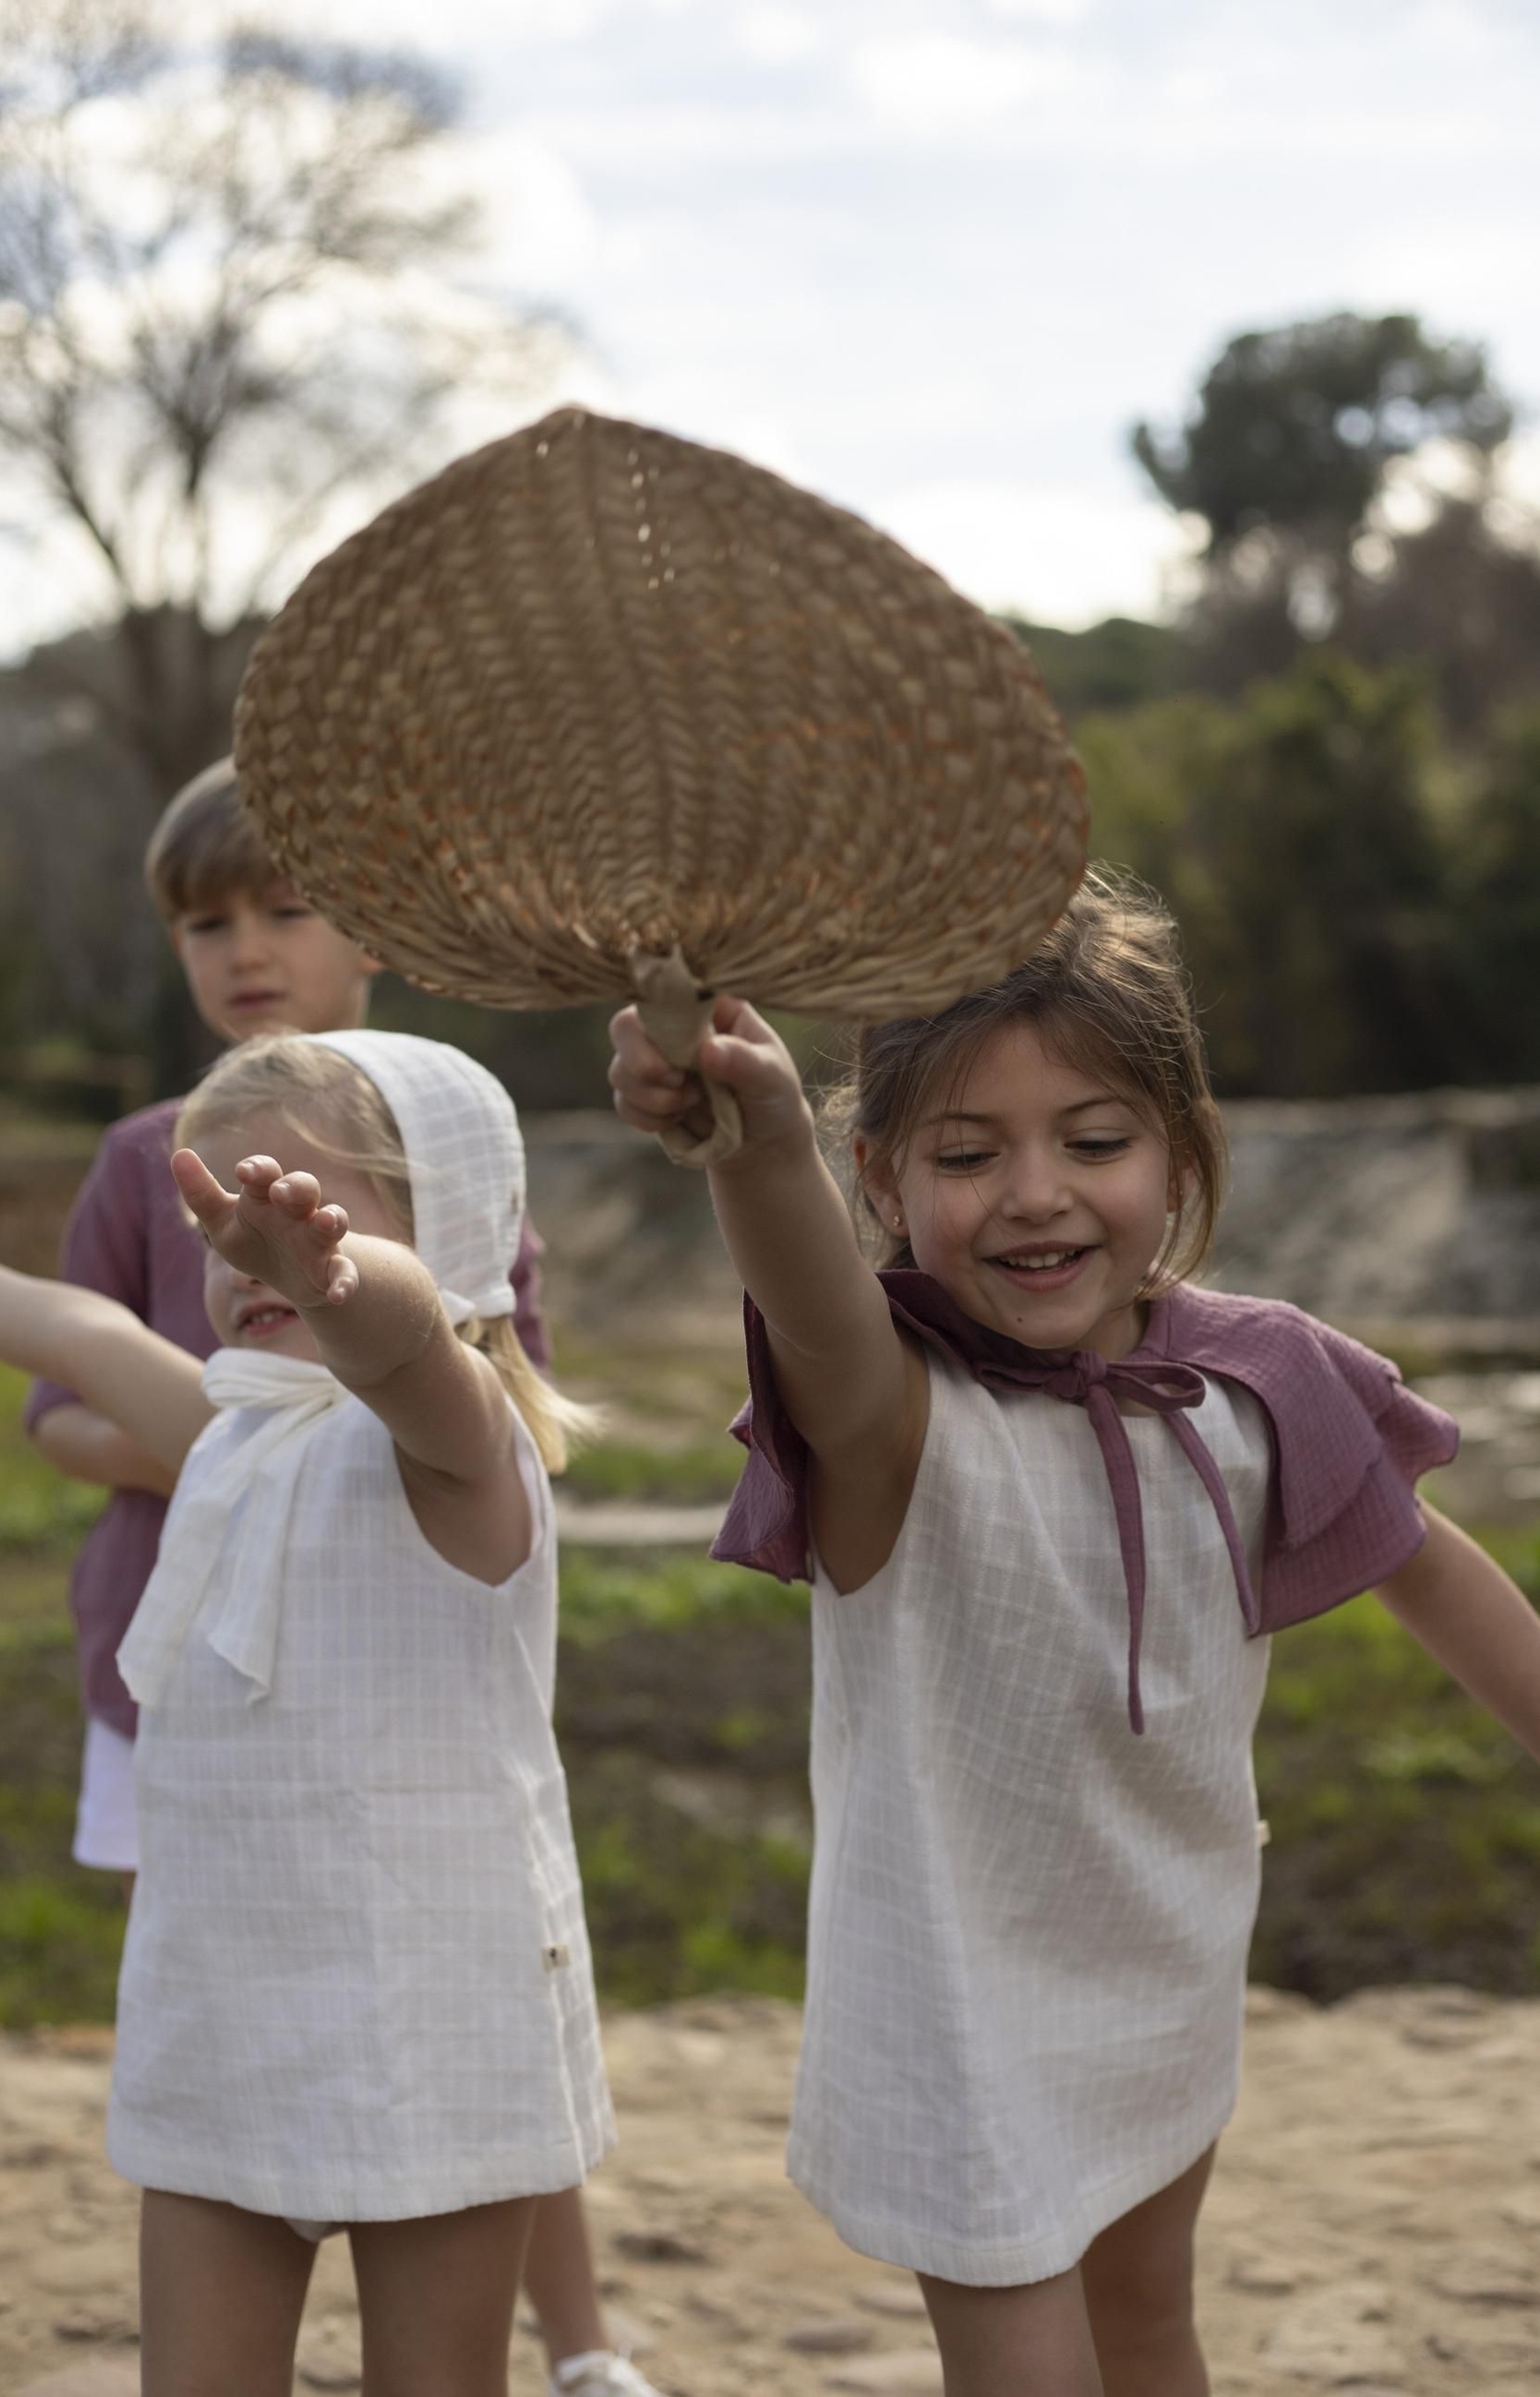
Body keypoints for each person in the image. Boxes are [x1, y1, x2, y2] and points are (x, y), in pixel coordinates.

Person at [607, 868, 1540, 2397]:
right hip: (957, 1994)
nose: (1036, 1192)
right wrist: (750, 1137)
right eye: (969, 1154)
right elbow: (812, 1299)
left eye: (1094, 1141)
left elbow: (1427, 1565)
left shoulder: (1259, 1378)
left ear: (1178, 1153)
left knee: (1151, 2325)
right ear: (887, 1182)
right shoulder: (897, 1414)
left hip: (1165, 1946)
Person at [23, 760, 653, 2397]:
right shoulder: (239, 1426)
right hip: (227, 2014)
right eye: (219, 1219)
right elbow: (93, 1336)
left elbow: (402, 1339)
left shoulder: (457, 1447)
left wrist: (341, 1271)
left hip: (433, 2017)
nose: (242, 1251)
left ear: (444, 1234)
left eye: (285, 1215)